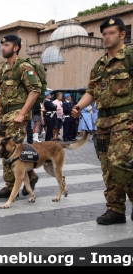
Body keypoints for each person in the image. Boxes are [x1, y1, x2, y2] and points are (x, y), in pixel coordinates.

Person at [71, 17, 133, 225]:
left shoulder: (130, 57)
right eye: (104, 33)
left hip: (126, 120)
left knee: (120, 163)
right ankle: (115, 209)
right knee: (107, 167)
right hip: (104, 122)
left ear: (122, 34)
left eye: (111, 33)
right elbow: (92, 91)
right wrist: (79, 106)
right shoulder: (100, 64)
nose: (107, 37)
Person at [0, 35, 41, 198]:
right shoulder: (4, 68)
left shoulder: (24, 67)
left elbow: (35, 90)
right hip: (5, 116)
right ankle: (31, 176)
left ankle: (9, 186)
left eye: (6, 45)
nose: (3, 48)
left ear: (15, 48)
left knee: (8, 150)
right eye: (2, 45)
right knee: (8, 151)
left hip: (17, 115)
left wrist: (22, 114)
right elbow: (1, 90)